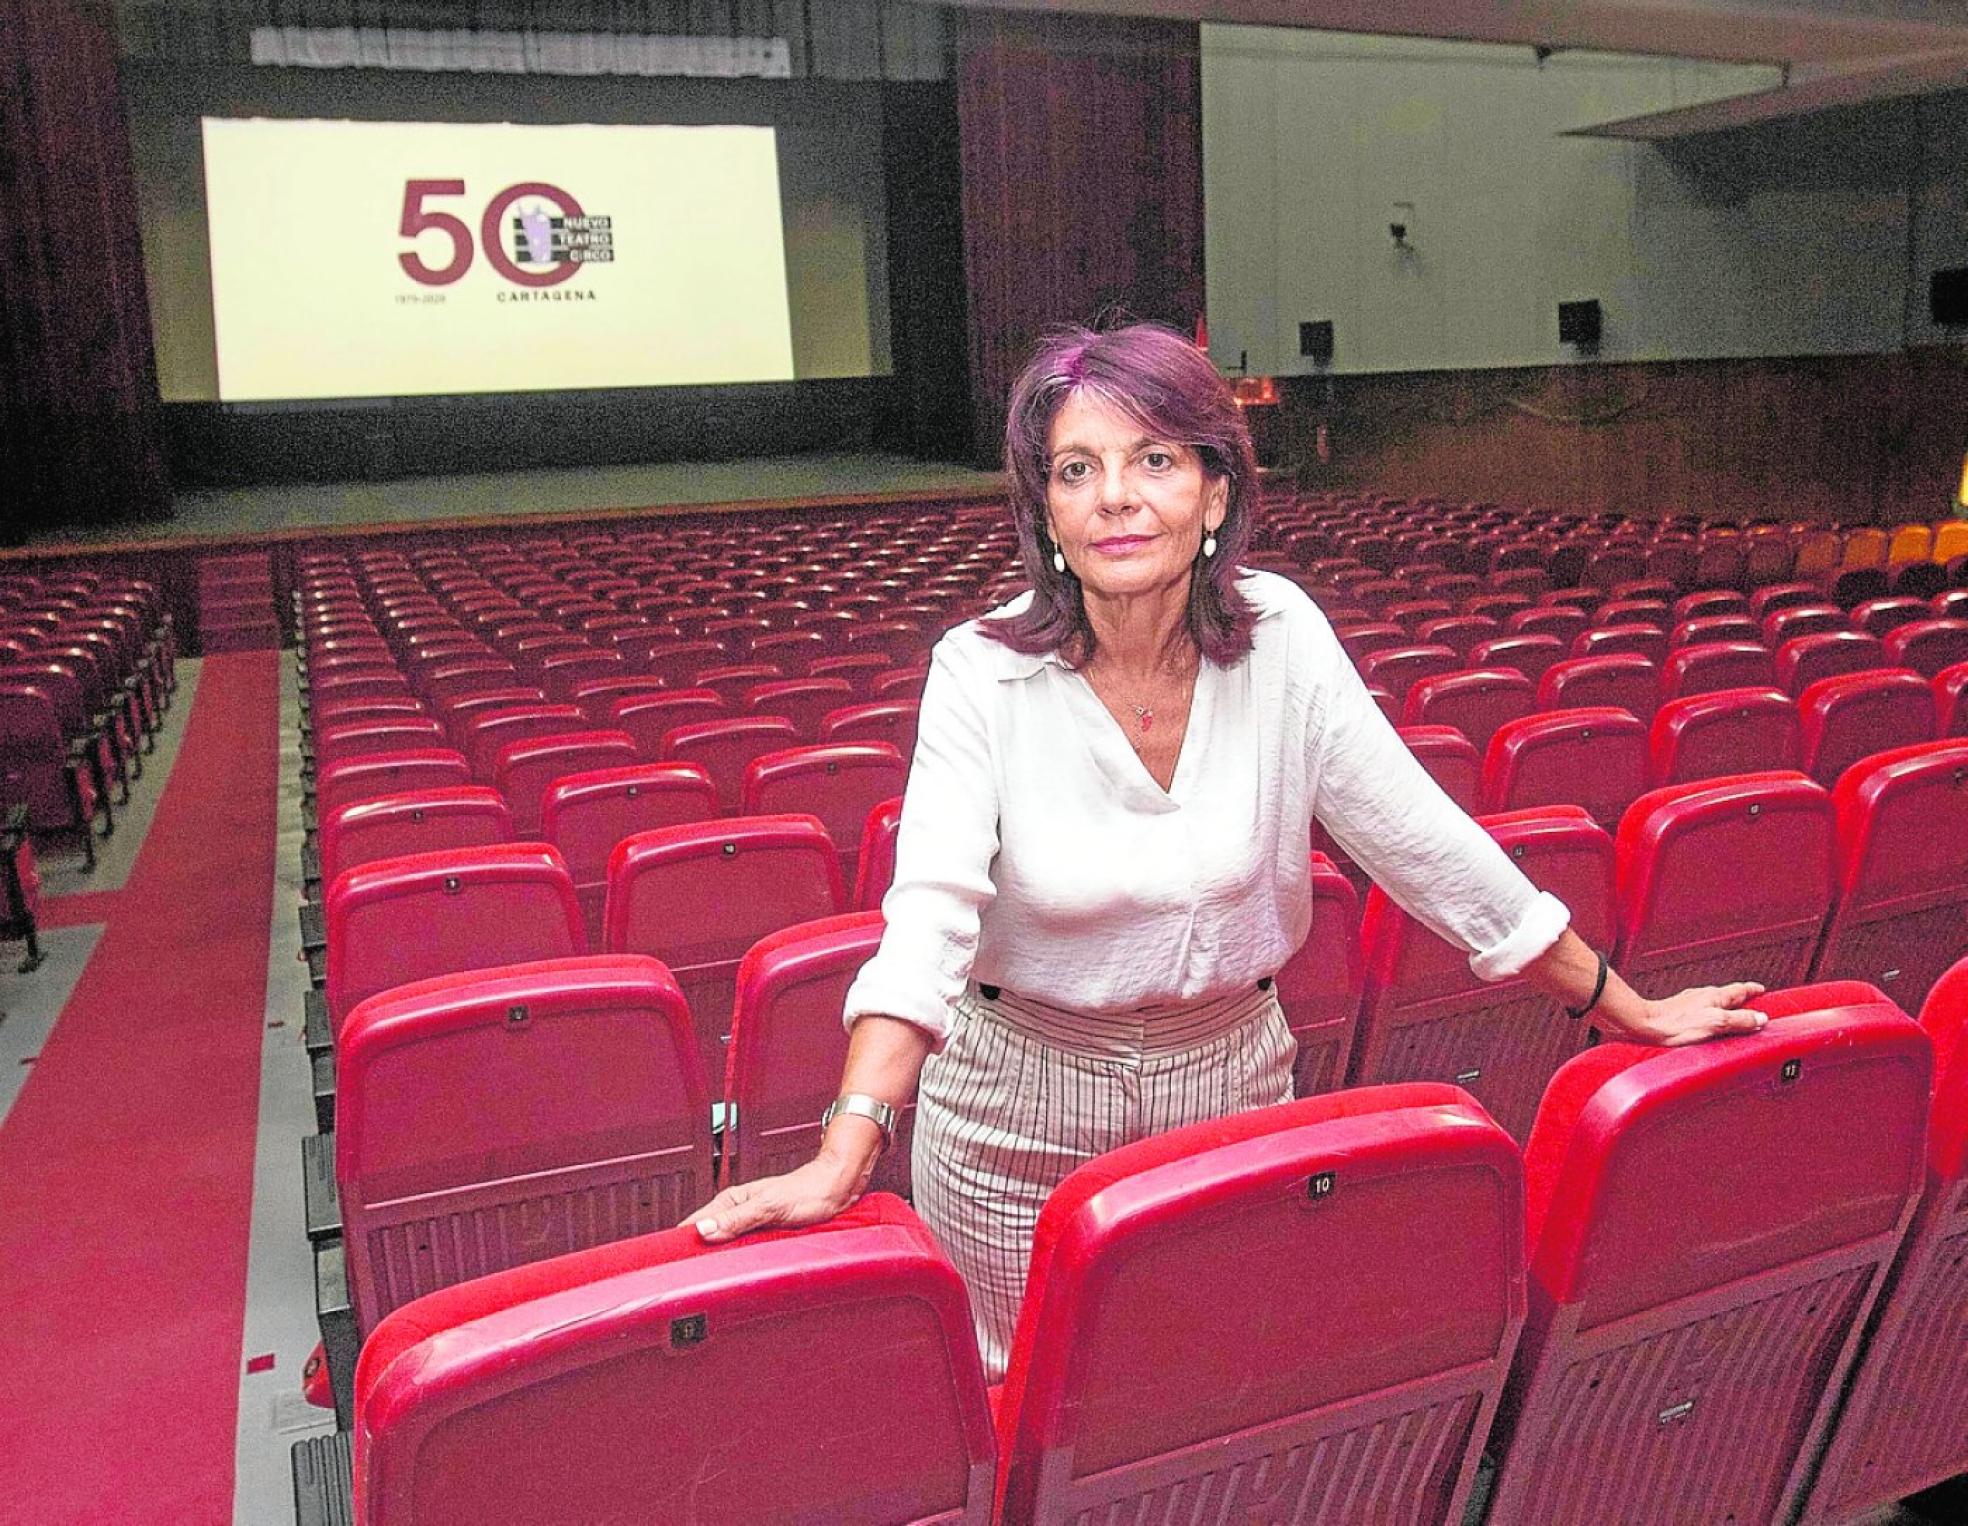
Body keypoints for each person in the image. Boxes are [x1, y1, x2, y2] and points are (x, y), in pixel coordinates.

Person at [691, 320, 1768, 1379]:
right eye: (1077, 468)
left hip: (1233, 1082)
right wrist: (849, 1147)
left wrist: (1620, 1002)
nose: (1116, 494)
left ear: (1214, 492)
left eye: (1154, 458)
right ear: (1047, 513)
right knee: (1023, 1402)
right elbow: (927, 915)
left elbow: (1423, 840)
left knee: (1210, 1382)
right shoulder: (981, 670)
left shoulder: (1283, 636)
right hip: (1014, 1106)